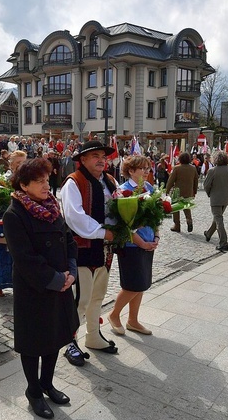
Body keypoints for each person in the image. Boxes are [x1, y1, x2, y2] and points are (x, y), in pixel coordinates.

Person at [3, 158, 78, 419]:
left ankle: (47, 383)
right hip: (35, 289)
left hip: (61, 283)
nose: (47, 185)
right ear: (24, 185)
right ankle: (33, 390)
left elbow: (68, 239)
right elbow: (24, 258)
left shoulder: (51, 206)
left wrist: (71, 270)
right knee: (33, 343)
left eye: (47, 179)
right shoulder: (14, 214)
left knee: (55, 337)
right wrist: (57, 280)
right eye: (39, 181)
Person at [59, 140, 118, 366]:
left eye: (103, 155)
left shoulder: (110, 181)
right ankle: (69, 340)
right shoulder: (74, 182)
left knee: (98, 296)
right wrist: (103, 232)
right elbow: (75, 217)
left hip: (105, 249)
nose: (101, 159)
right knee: (80, 299)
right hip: (81, 248)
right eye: (95, 155)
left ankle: (93, 335)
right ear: (82, 159)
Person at [108, 155, 159, 336]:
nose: (146, 172)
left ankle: (133, 320)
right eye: (142, 169)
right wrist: (142, 243)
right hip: (131, 245)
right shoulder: (123, 191)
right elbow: (125, 225)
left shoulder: (150, 188)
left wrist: (156, 237)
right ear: (130, 171)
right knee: (132, 284)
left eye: (148, 168)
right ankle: (114, 314)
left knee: (142, 283)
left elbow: (156, 216)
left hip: (147, 242)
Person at [0, 150, 26, 297]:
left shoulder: (28, 179)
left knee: (19, 253)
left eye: (23, 163)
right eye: (17, 163)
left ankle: (20, 283)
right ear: (10, 164)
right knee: (1, 253)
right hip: (4, 220)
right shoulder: (3, 180)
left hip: (22, 221)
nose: (20, 166)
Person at [203, 151, 228, 252]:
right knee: (217, 217)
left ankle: (223, 243)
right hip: (225, 199)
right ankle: (209, 234)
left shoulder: (212, 171)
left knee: (218, 220)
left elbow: (206, 185)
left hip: (215, 198)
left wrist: (209, 193)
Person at [165, 152, 198, 233]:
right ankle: (189, 220)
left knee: (176, 208)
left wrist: (167, 190)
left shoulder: (177, 168)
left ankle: (177, 225)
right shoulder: (193, 168)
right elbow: (196, 180)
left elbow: (171, 181)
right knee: (186, 207)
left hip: (177, 192)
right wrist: (194, 191)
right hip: (189, 191)